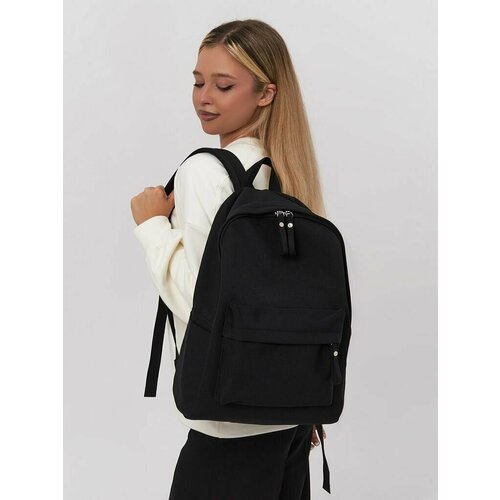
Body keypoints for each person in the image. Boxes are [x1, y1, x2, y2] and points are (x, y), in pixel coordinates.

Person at [131, 19, 329, 500]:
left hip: (228, 427)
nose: (204, 98)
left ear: (266, 93)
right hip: (291, 420)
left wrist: (152, 225)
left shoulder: (205, 172)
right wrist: (304, 405)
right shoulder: (285, 170)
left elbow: (202, 304)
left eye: (223, 86)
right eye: (198, 82)